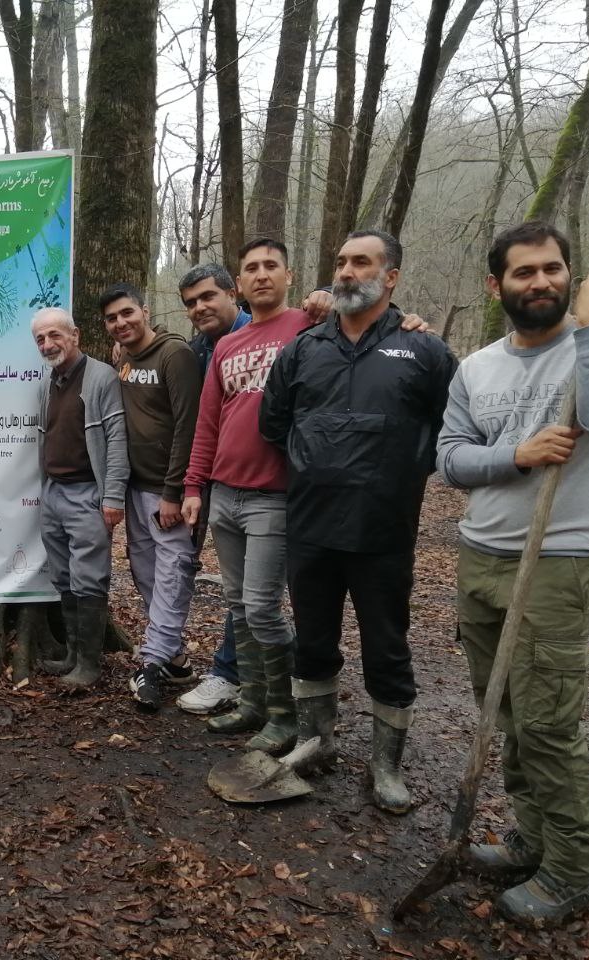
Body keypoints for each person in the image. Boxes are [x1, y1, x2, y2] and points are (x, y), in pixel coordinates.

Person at [436, 221, 589, 924]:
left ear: (570, 275)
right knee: (503, 710)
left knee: (548, 723)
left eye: (553, 268)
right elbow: (450, 459)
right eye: (524, 272)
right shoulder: (476, 368)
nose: (541, 282)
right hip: (481, 555)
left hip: (557, 561)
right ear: (496, 286)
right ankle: (531, 838)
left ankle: (572, 870)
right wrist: (518, 455)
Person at [260, 230, 457, 814]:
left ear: (390, 276)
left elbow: (451, 427)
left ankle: (386, 765)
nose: (346, 271)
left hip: (383, 531)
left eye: (362, 262)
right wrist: (316, 459)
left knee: (387, 648)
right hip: (312, 525)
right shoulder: (304, 348)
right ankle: (316, 741)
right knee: (313, 640)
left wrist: (401, 468)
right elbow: (274, 422)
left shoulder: (424, 350)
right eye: (342, 261)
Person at [175, 265, 338, 715]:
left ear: (234, 292)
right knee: (240, 603)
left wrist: (329, 295)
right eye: (191, 303)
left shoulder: (303, 326)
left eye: (208, 296)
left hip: (276, 492)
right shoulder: (213, 347)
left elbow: (358, 324)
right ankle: (251, 699)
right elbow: (207, 424)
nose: (199, 307)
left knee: (262, 606)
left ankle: (285, 709)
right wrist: (194, 485)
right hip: (225, 491)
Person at [102, 284, 201, 711]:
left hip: (166, 492)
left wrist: (174, 491)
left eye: (127, 313)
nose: (120, 322)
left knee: (172, 573)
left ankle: (152, 662)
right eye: (112, 318)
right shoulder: (125, 359)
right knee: (145, 574)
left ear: (145, 311)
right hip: (135, 487)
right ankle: (176, 660)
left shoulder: (174, 354)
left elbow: (187, 425)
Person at [31, 307, 129, 689]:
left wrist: (113, 497)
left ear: (75, 336)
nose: (47, 344)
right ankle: (73, 655)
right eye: (40, 339)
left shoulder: (101, 377)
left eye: (54, 335)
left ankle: (89, 666)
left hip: (88, 493)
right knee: (63, 577)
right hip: (54, 492)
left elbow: (117, 439)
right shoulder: (47, 383)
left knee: (89, 579)